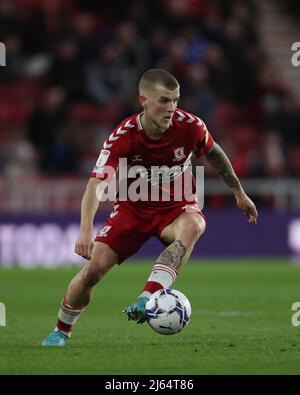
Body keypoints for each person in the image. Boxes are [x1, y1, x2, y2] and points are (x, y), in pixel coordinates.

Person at [42, 69, 258, 346]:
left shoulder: (190, 126)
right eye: (164, 101)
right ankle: (62, 330)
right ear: (144, 100)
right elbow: (96, 184)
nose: (172, 109)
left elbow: (214, 152)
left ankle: (147, 297)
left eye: (176, 100)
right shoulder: (123, 137)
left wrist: (239, 193)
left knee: (194, 225)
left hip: (176, 208)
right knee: (92, 271)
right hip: (132, 211)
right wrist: (85, 230)